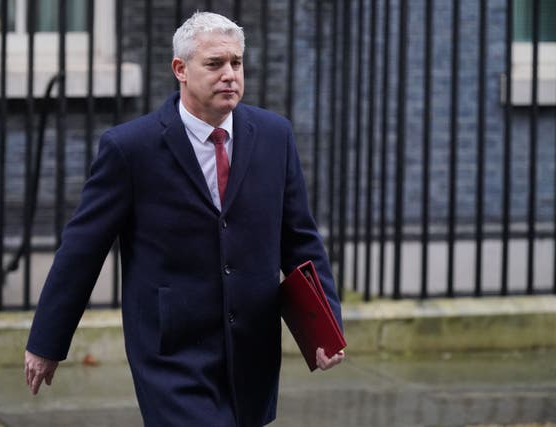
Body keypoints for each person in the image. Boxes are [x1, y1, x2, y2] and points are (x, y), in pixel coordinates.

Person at [24, 11, 344, 426]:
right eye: (214, 64)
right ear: (181, 69)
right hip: (171, 351)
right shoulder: (130, 148)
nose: (229, 74)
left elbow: (300, 239)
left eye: (236, 63)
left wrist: (326, 326)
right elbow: (83, 250)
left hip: (252, 346)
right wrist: (47, 342)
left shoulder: (274, 135)